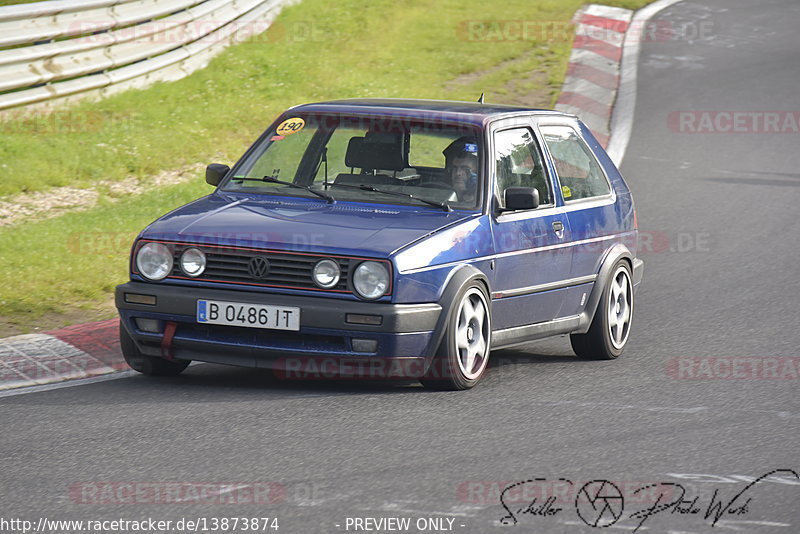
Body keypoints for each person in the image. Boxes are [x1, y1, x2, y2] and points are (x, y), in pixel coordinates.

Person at [442, 136, 479, 203]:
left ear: (476, 171)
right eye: (454, 168)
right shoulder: (439, 194)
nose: (458, 173)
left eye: (465, 169)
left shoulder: (485, 200)